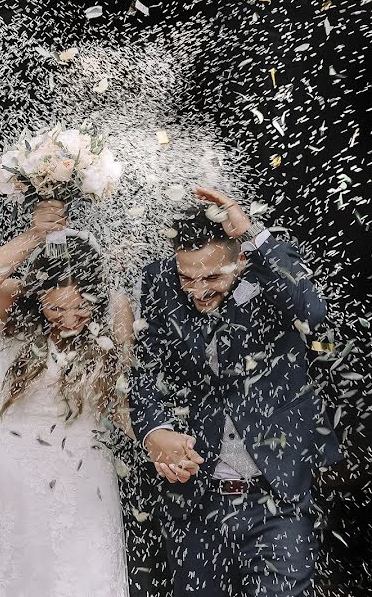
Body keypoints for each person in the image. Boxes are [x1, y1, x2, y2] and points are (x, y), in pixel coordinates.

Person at [129, 187, 342, 596]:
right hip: (194, 501)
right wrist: (154, 431)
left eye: (212, 277)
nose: (198, 290)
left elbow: (311, 311)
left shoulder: (267, 273)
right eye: (186, 277)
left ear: (240, 258)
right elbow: (144, 372)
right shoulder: (156, 281)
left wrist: (250, 233)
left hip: (275, 497)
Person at [0, 199, 135, 597]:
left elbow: (121, 396)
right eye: (56, 307)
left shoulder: (116, 311)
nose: (71, 317)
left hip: (84, 470)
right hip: (14, 469)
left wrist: (147, 435)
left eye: (82, 307)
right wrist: (34, 236)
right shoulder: (16, 310)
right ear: (37, 296)